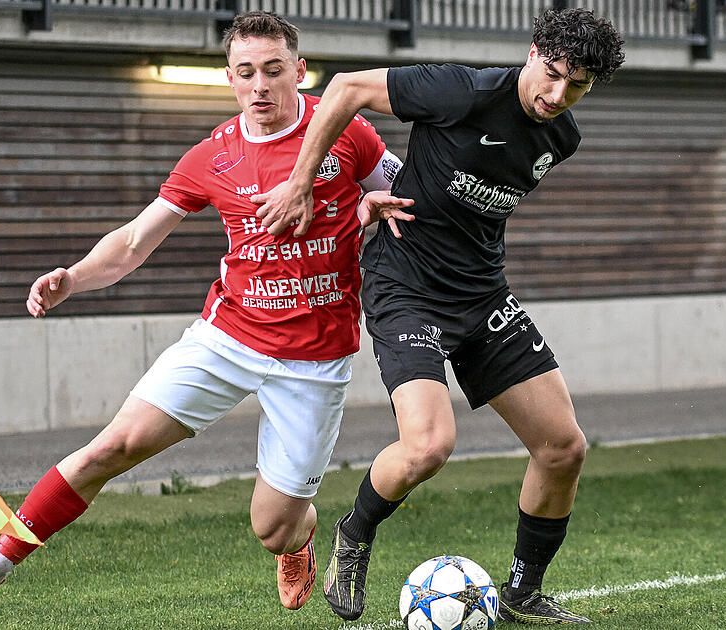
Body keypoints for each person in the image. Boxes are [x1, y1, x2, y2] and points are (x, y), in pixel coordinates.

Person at [0, 11, 411, 613]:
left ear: (301, 73)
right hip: (226, 337)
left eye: (273, 71)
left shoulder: (347, 132)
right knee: (112, 446)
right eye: (246, 73)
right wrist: (72, 279)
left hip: (313, 359)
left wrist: (378, 207)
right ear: (230, 79)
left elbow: (408, 194)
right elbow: (132, 243)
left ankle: (299, 538)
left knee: (272, 527)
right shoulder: (213, 156)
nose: (260, 86)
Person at [250, 7, 625, 625]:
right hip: (407, 288)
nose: (559, 95)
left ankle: (523, 593)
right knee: (428, 446)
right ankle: (355, 535)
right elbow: (344, 88)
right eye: (553, 74)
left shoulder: (563, 138)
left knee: (563, 447)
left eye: (577, 86)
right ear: (532, 52)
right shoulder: (461, 90)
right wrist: (301, 183)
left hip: (481, 297)